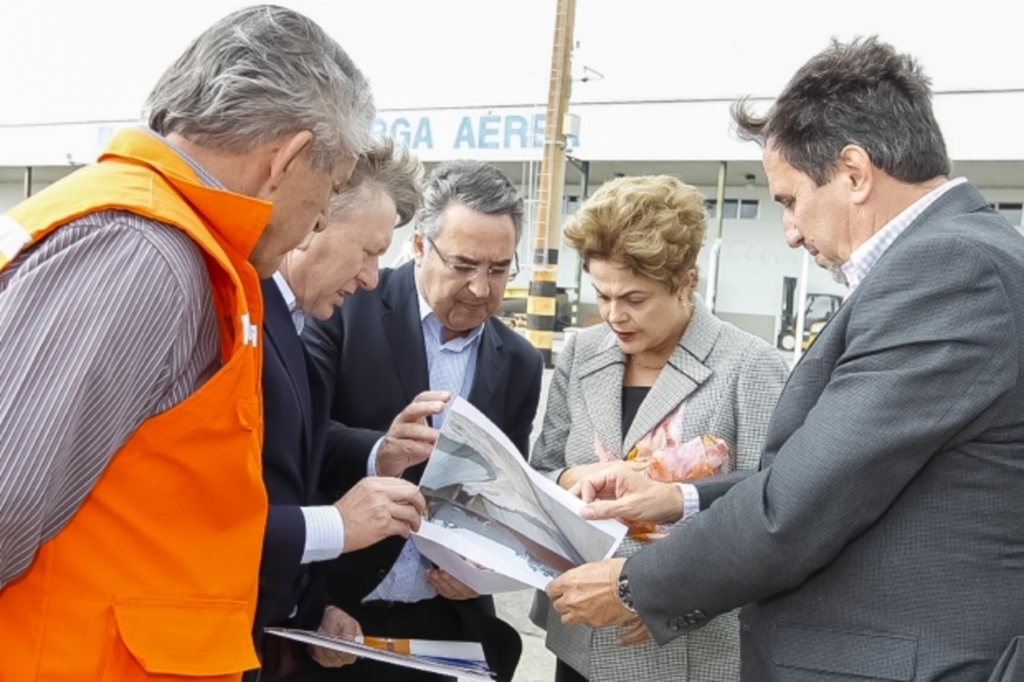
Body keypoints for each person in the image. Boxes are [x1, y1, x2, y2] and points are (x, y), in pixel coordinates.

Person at [546, 37, 1024, 681]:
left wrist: (636, 584)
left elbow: (804, 503)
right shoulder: (956, 259)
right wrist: (676, 500)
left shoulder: (949, 269)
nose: (791, 232)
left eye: (790, 200)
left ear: (854, 173)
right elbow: (827, 477)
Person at [0, 6, 373, 681]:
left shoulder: (167, 243)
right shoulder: (143, 251)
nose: (323, 214)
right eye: (333, 185)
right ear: (286, 158)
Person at [528, 175, 789, 682]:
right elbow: (543, 468)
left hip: (684, 648)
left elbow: (772, 511)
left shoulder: (750, 367)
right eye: (601, 295)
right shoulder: (583, 353)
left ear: (685, 280)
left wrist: (672, 597)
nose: (613, 315)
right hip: (580, 637)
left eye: (634, 298)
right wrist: (574, 478)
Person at [301, 159, 544, 682]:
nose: (481, 288)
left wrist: (486, 567)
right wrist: (378, 452)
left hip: (447, 629)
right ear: (417, 245)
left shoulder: (521, 363)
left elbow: (505, 493)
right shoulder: (343, 307)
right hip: (337, 618)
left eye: (499, 269)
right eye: (463, 265)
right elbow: (295, 443)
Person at [254, 137, 428, 677]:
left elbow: (292, 452)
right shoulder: (246, 318)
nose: (374, 277)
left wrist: (381, 454)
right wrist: (336, 525)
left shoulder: (295, 321)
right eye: (370, 252)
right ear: (315, 224)